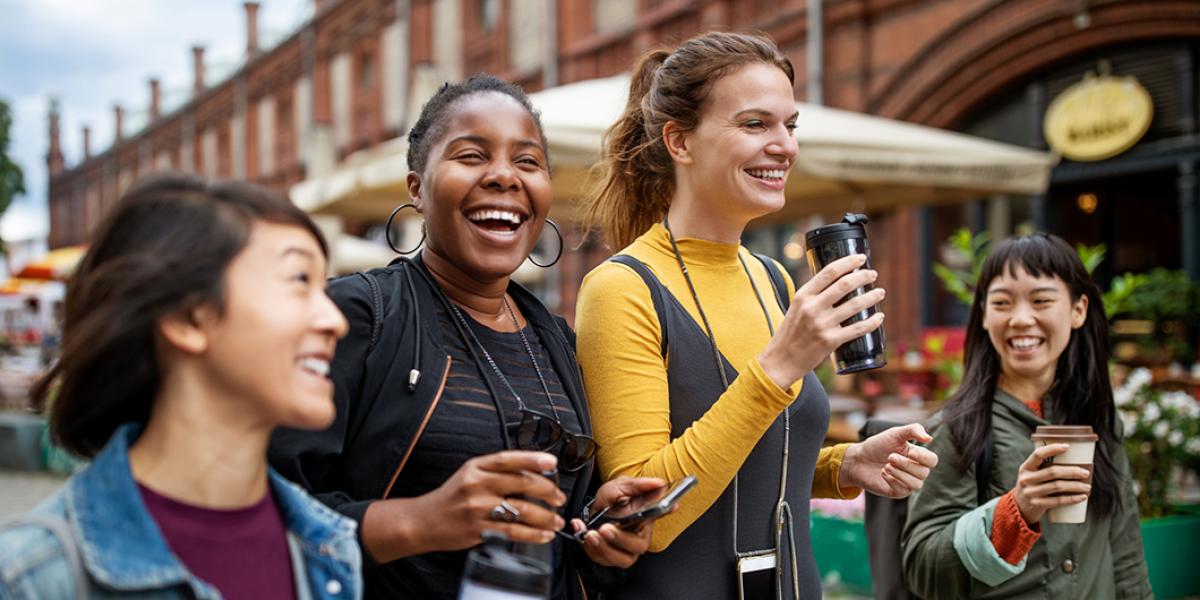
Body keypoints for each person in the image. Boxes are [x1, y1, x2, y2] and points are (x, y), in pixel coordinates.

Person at [574, 31, 939, 599]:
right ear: (680, 142)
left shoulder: (771, 276)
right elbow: (649, 514)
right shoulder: (622, 288)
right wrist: (779, 367)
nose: (785, 146)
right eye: (754, 124)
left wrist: (845, 465)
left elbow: (760, 451)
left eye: (789, 126)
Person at [269, 75, 661, 600]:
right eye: (472, 156)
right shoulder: (355, 317)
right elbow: (266, 513)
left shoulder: (558, 344)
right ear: (417, 187)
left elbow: (551, 540)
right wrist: (421, 521)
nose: (504, 176)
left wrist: (598, 533)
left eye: (527, 162)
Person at [0, 174, 361, 599]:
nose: (336, 321)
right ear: (188, 317)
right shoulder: (33, 577)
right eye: (300, 280)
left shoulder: (329, 550)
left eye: (325, 286)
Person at [901, 233, 1152, 599]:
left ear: (1078, 310)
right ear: (985, 314)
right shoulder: (954, 429)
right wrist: (1015, 510)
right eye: (1002, 303)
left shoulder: (1099, 418)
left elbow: (1126, 556)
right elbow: (924, 572)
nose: (1021, 319)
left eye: (1041, 300)